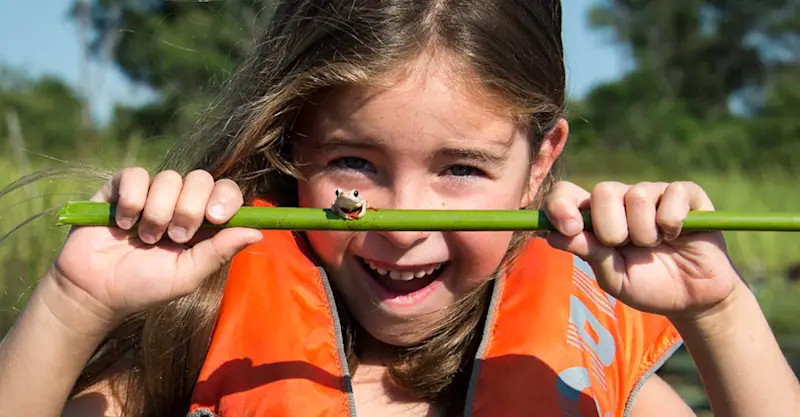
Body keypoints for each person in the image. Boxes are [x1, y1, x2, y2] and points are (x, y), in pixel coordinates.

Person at [0, 1, 797, 416]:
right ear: (294, 149)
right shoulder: (202, 335)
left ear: (539, 164)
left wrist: (719, 312)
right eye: (354, 162)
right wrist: (75, 304)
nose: (402, 222)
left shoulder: (579, 372)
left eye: (460, 168)